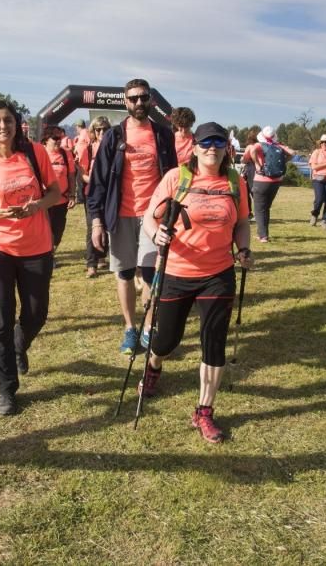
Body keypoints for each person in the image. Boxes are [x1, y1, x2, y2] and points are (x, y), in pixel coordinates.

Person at [139, 122, 253, 443]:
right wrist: (156, 233)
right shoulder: (177, 178)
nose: (212, 147)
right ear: (195, 146)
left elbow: (242, 222)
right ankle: (154, 366)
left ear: (226, 148)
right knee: (166, 341)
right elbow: (150, 217)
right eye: (206, 142)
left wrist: (243, 249)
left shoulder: (235, 182)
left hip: (218, 273)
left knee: (213, 342)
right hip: (177, 271)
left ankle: (204, 411)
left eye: (218, 142)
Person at [0, 101, 61, 415]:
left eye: (7, 120)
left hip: (36, 247)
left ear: (17, 124)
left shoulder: (35, 153)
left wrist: (37, 206)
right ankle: (6, 389)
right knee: (1, 321)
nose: (2, 126)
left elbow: (56, 192)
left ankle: (21, 345)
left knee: (36, 314)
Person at [87, 78, 177, 354]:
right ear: (126, 102)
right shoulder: (114, 136)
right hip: (121, 214)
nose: (139, 102)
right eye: (134, 98)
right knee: (125, 273)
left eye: (144, 97)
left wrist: (173, 214)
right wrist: (97, 222)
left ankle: (149, 327)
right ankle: (129, 328)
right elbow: (98, 182)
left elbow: (173, 176)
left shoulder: (163, 134)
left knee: (150, 274)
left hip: (154, 216)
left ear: (150, 100)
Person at [247, 126, 295, 243]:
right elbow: (293, 153)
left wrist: (258, 165)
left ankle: (263, 236)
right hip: (276, 181)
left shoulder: (260, 145)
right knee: (266, 208)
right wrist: (284, 160)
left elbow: (252, 150)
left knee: (259, 209)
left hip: (261, 180)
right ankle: (263, 233)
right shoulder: (278, 146)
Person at [77, 117, 111, 278]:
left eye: (105, 129)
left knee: (106, 225)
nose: (101, 132)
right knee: (93, 226)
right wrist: (95, 179)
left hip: (109, 194)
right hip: (92, 193)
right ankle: (91, 264)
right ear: (93, 131)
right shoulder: (88, 149)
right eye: (98, 129)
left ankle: (102, 256)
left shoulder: (113, 147)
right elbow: (82, 174)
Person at [41, 125, 76, 262]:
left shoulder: (66, 154)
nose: (58, 141)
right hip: (45, 200)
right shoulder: (40, 153)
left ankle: (52, 251)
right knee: (45, 229)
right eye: (55, 138)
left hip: (62, 199)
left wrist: (72, 194)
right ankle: (49, 256)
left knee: (58, 229)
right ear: (46, 139)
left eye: (60, 138)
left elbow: (71, 176)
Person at [240, 130, 258, 221]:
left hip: (250, 169)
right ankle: (258, 213)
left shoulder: (250, 147)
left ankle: (249, 213)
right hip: (259, 170)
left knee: (247, 192)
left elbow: (245, 159)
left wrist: (242, 159)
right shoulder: (260, 146)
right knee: (256, 193)